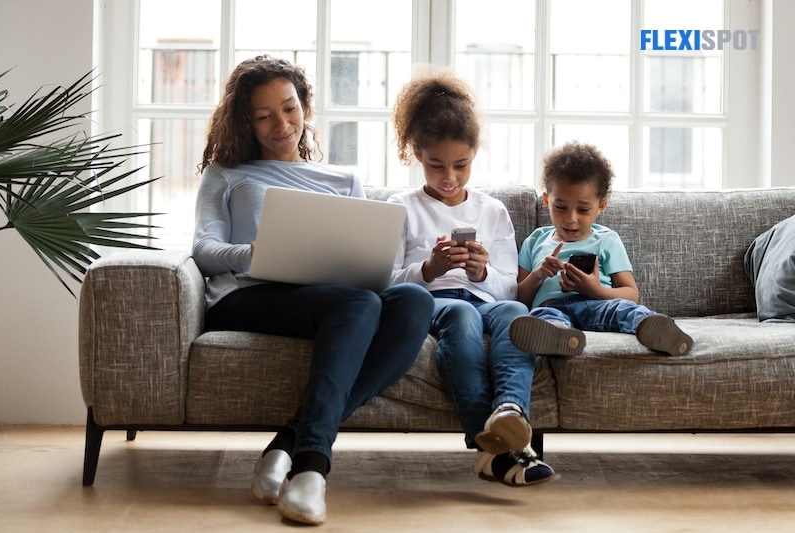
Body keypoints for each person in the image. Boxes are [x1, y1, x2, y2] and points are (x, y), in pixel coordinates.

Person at [191, 55, 434, 526]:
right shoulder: (226, 173)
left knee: (414, 301)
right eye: (263, 116)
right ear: (245, 120)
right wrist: (252, 253)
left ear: (305, 106)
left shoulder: (343, 179)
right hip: (247, 296)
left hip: (328, 297)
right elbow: (203, 249)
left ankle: (286, 442)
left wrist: (383, 269)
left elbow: (372, 264)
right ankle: (311, 468)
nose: (281, 124)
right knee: (358, 303)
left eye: (289, 108)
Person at [387, 69, 559, 487]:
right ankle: (494, 450)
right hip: (436, 303)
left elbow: (509, 288)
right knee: (462, 316)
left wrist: (482, 271)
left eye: (461, 165)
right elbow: (386, 282)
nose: (449, 177)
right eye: (436, 165)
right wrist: (430, 270)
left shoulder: (492, 210)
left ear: (475, 154)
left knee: (517, 312)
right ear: (415, 153)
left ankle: (510, 412)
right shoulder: (401, 207)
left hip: (485, 300)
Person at [510, 141, 693, 358]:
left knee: (623, 310)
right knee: (542, 316)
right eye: (560, 207)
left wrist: (595, 290)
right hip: (552, 307)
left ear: (601, 206)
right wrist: (538, 274)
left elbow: (631, 294)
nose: (571, 219)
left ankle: (657, 330)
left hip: (597, 303)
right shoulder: (535, 240)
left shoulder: (606, 239)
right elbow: (519, 299)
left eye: (584, 209)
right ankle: (560, 337)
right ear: (547, 200)